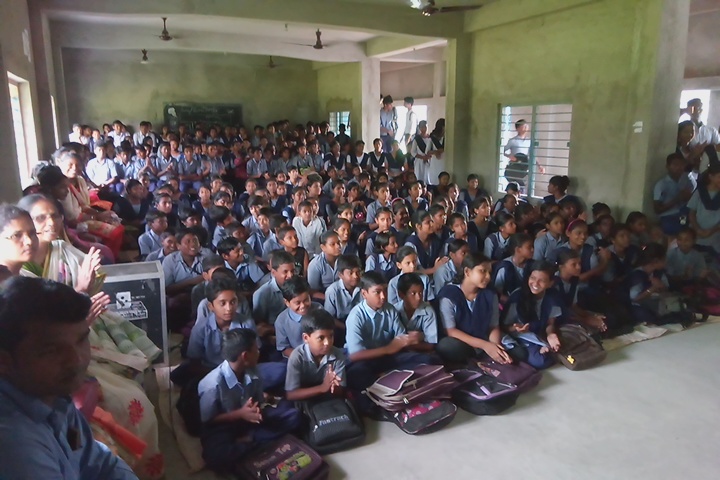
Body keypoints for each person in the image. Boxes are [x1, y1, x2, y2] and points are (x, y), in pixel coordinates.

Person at [0, 277, 139, 479]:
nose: (76, 360)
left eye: (81, 340)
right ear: (4, 361)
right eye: (52, 351)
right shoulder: (15, 446)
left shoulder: (56, 399)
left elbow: (94, 460)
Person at [198, 329, 302, 474]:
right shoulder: (211, 385)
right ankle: (255, 442)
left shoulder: (252, 371)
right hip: (224, 426)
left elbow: (258, 400)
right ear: (245, 356)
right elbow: (208, 421)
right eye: (256, 350)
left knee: (294, 415)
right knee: (216, 455)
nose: (259, 352)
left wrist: (255, 410)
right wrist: (240, 414)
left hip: (249, 421)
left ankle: (250, 439)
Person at [344, 272, 433, 410]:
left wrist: (414, 338)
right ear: (364, 293)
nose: (383, 296)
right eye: (377, 292)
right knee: (356, 374)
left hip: (387, 358)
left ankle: (387, 379)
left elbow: (401, 338)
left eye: (385, 291)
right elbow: (355, 355)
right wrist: (388, 349)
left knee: (428, 360)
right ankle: (389, 385)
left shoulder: (389, 309)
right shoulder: (356, 316)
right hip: (365, 360)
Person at [435, 253, 510, 365]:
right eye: (482, 271)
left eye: (489, 272)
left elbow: (493, 326)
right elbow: (451, 331)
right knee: (447, 345)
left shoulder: (490, 295)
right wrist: (485, 346)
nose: (488, 277)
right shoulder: (449, 295)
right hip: (463, 343)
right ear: (467, 272)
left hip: (483, 339)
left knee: (517, 353)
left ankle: (480, 359)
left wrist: (495, 348)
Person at [502, 261, 562, 369]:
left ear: (550, 283)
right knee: (540, 361)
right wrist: (516, 328)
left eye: (542, 280)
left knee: (559, 345)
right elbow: (504, 327)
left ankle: (544, 348)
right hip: (521, 335)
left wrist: (551, 334)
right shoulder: (517, 297)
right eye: (533, 278)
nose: (535, 283)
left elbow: (550, 323)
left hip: (540, 332)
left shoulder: (552, 296)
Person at [285, 309, 347, 401]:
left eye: (331, 336)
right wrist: (322, 388)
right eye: (321, 338)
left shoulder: (337, 355)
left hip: (327, 398)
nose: (327, 343)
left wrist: (333, 384)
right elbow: (291, 395)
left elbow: (340, 392)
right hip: (304, 398)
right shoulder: (297, 357)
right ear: (306, 338)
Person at [275, 277, 321, 358]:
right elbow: (284, 349)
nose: (303, 306)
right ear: (287, 302)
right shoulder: (281, 321)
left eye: (306, 300)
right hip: (298, 358)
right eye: (297, 303)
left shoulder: (319, 309)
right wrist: (304, 357)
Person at [324, 255, 363, 346]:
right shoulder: (332, 291)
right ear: (340, 275)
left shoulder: (364, 287)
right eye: (350, 273)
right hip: (341, 326)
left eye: (358, 272)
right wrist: (347, 327)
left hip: (360, 322)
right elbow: (329, 318)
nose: (355, 276)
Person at [393, 273, 438, 350]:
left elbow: (431, 344)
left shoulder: (428, 311)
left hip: (421, 352)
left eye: (420, 293)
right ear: (401, 295)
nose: (418, 298)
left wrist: (404, 343)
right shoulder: (394, 311)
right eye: (413, 293)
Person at [653, 153, 695, 236]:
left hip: (684, 214)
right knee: (675, 232)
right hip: (669, 217)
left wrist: (690, 197)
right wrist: (677, 199)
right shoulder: (662, 184)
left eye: (682, 165)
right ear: (667, 166)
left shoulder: (687, 180)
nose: (679, 167)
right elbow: (657, 209)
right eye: (675, 165)